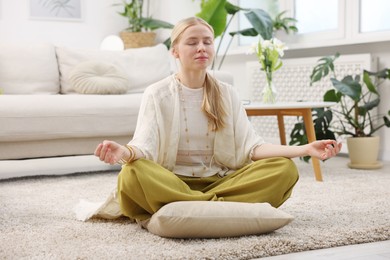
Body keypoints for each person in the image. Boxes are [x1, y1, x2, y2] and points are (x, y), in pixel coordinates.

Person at [94, 17, 342, 222]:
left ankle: (192, 208)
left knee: (284, 168)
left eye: (207, 42)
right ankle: (221, 209)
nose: (201, 47)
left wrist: (304, 149)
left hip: (221, 180)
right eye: (192, 42)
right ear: (175, 51)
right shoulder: (157, 94)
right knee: (132, 174)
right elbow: (144, 148)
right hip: (172, 181)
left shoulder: (227, 93)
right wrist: (123, 153)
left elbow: (252, 148)